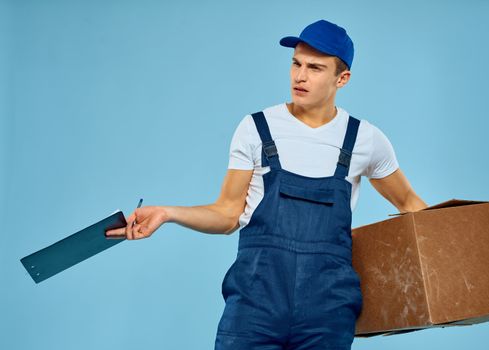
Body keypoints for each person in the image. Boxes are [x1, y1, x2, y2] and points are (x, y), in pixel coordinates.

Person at [106, 19, 427, 349]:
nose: (300, 76)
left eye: (315, 68)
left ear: (341, 79)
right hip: (255, 305)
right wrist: (168, 213)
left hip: (328, 312)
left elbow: (411, 206)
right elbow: (228, 214)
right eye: (296, 63)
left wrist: (461, 262)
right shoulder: (256, 128)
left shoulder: (364, 139)